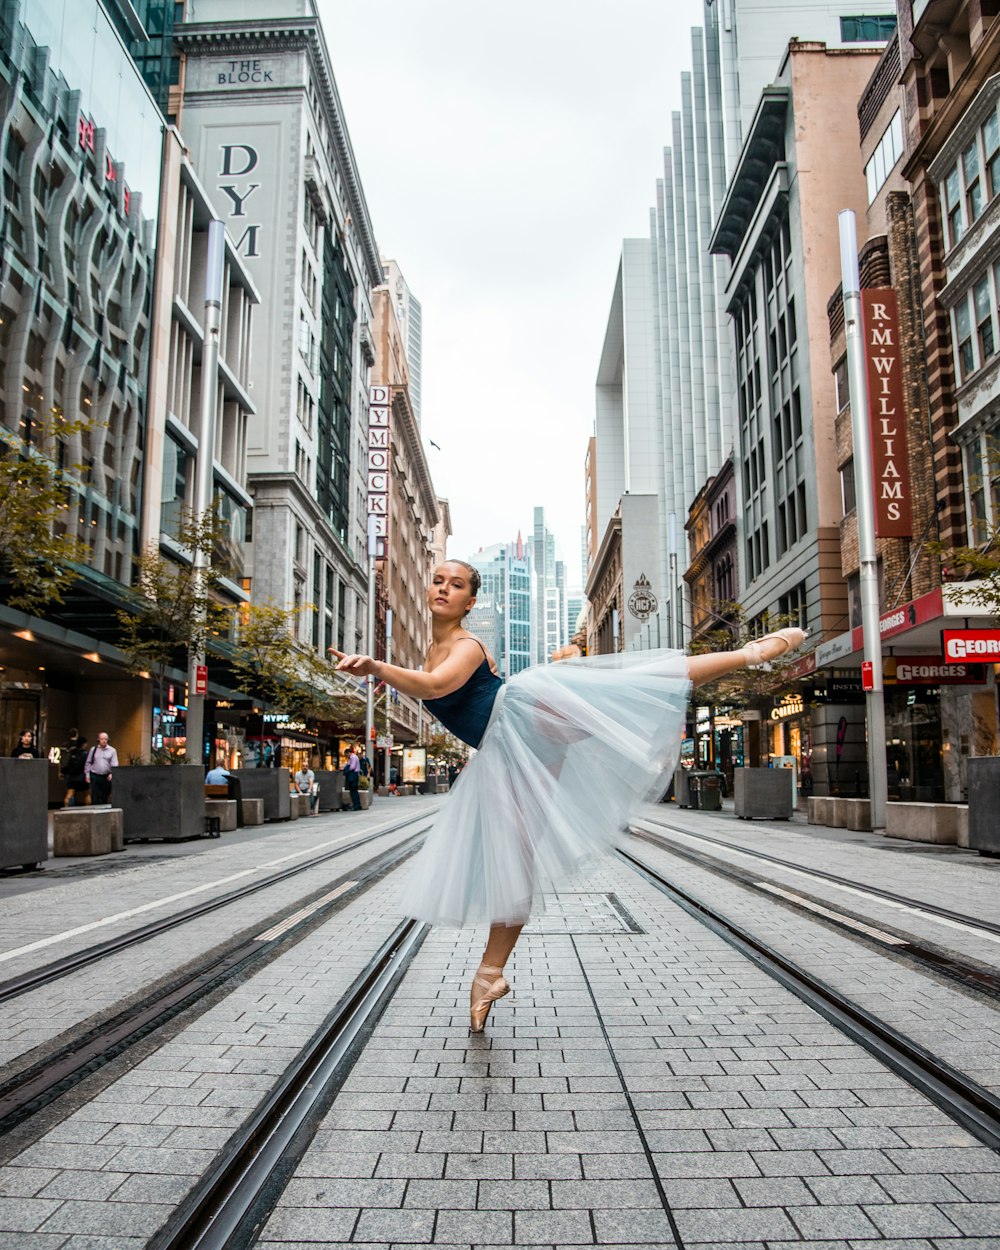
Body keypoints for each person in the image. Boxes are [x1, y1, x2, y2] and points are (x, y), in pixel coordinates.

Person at [332, 559, 807, 1033]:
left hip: (526, 717)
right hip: (509, 752)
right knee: (514, 862)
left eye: (456, 585)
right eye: (437, 580)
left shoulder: (466, 645)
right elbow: (434, 682)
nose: (443, 589)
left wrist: (375, 666)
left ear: (470, 602)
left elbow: (436, 686)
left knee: (637, 684)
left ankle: (752, 654)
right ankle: (489, 976)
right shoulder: (433, 650)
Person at [85, 731, 118, 804]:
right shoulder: (93, 749)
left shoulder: (112, 751)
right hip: (95, 775)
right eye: (102, 739)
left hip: (106, 776)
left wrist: (112, 773)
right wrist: (87, 774)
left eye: (106, 739)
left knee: (104, 796)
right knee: (95, 796)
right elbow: (88, 762)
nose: (104, 741)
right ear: (98, 740)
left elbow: (114, 764)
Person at [61, 735, 90, 806]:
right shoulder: (86, 754)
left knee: (69, 794)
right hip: (82, 776)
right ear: (84, 744)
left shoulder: (72, 752)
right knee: (87, 794)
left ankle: (66, 808)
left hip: (72, 777)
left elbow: (68, 764)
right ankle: (88, 809)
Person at [343, 745, 361, 811]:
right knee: (354, 791)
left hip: (353, 775)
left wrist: (347, 770)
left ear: (348, 753)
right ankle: (357, 805)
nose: (346, 756)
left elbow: (352, 767)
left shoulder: (353, 757)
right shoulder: (353, 757)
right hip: (354, 775)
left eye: (346, 754)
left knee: (353, 791)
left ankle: (356, 805)